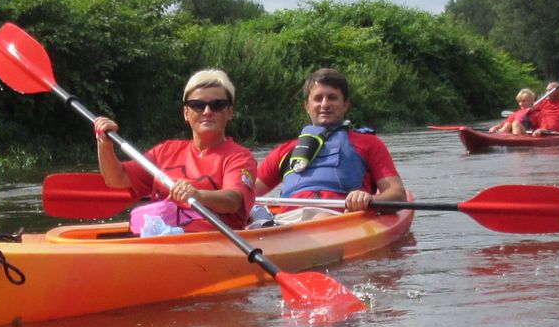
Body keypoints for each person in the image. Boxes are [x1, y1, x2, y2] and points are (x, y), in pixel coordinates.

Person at [94, 69, 259, 232]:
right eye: (198, 105)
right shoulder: (165, 151)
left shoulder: (240, 157)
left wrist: (197, 195)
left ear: (229, 112)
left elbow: (233, 200)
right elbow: (117, 178)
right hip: (160, 239)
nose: (207, 112)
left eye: (217, 105)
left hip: (211, 242)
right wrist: (104, 144)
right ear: (186, 113)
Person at [255, 67, 407, 211]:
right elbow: (245, 193)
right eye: (318, 98)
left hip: (342, 219)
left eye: (332, 98)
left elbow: (398, 196)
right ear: (307, 106)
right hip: (289, 221)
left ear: (345, 104)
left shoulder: (369, 144)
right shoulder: (285, 151)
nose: (325, 104)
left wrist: (369, 200)